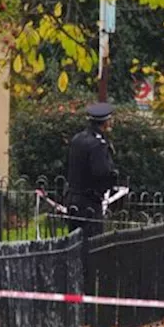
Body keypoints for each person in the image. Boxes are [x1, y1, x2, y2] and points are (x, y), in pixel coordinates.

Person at [65, 102, 118, 239]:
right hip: (90, 202)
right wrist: (112, 179)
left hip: (73, 199)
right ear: (105, 122)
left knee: (73, 241)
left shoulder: (78, 139)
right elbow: (101, 172)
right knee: (92, 244)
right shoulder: (97, 144)